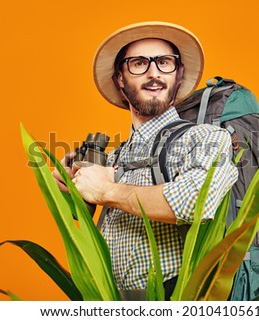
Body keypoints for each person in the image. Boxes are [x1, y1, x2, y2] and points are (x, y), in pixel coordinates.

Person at [53, 21, 238, 300]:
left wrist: (106, 190)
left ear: (178, 75)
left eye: (164, 63)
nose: (154, 74)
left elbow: (193, 203)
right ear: (120, 79)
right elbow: (81, 225)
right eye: (139, 63)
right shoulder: (115, 157)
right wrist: (74, 190)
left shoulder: (206, 138)